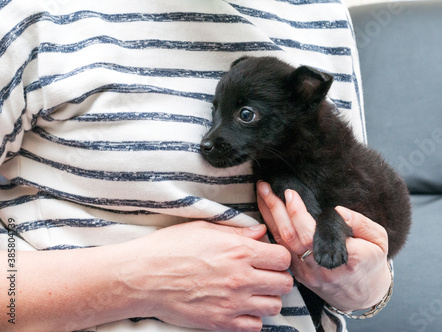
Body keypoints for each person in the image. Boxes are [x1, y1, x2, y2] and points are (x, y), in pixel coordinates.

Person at [0, 0, 392, 331]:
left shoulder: (320, 14)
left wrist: (367, 287)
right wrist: (133, 282)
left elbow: (355, 226)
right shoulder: (37, 12)